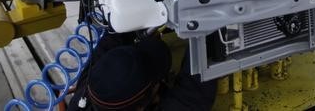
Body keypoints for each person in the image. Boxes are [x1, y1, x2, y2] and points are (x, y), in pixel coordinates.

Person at [69, 33, 217, 111]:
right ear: (140, 108)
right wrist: (207, 28)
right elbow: (194, 89)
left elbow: (112, 38)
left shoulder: (87, 93)